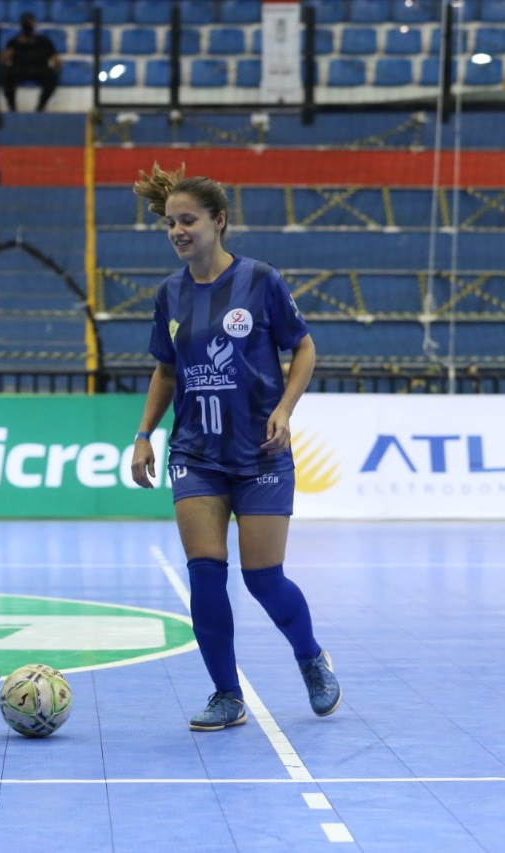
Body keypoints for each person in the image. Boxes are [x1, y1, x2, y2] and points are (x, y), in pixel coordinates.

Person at [129, 163, 341, 732]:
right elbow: (166, 371)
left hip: (260, 452)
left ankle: (310, 657)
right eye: (170, 223)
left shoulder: (261, 280)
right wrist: (144, 434)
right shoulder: (168, 294)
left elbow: (305, 348)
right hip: (195, 453)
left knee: (263, 577)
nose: (177, 231)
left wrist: (284, 409)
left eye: (188, 220)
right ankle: (226, 695)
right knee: (205, 573)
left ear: (219, 222)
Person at [0, 12, 61, 112]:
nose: (30, 25)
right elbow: (3, 59)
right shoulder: (14, 41)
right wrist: (11, 51)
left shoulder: (43, 40)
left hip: (40, 69)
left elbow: (56, 59)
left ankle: (40, 107)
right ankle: (12, 108)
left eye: (31, 22)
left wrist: (56, 66)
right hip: (19, 70)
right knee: (6, 74)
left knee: (52, 76)